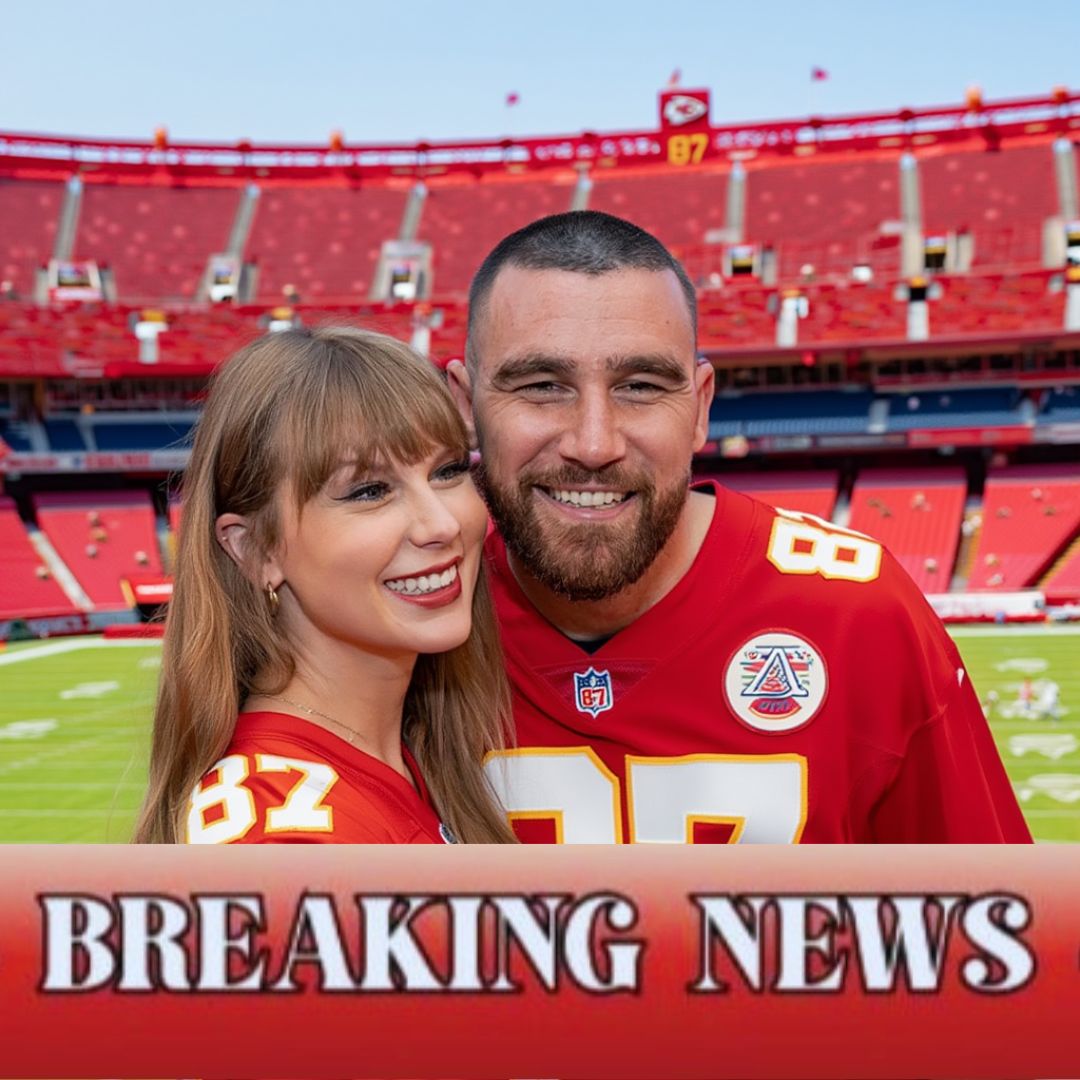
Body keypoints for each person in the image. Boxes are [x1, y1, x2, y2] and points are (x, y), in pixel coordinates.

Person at [448, 211, 1030, 844]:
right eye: (541, 386)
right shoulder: (411, 621)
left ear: (700, 407)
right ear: (465, 406)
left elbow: (987, 900)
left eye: (640, 386)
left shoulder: (858, 615)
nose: (594, 444)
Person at [135, 327, 515, 844]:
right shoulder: (282, 836)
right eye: (369, 491)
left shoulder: (409, 753)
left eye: (447, 471)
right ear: (256, 550)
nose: (442, 524)